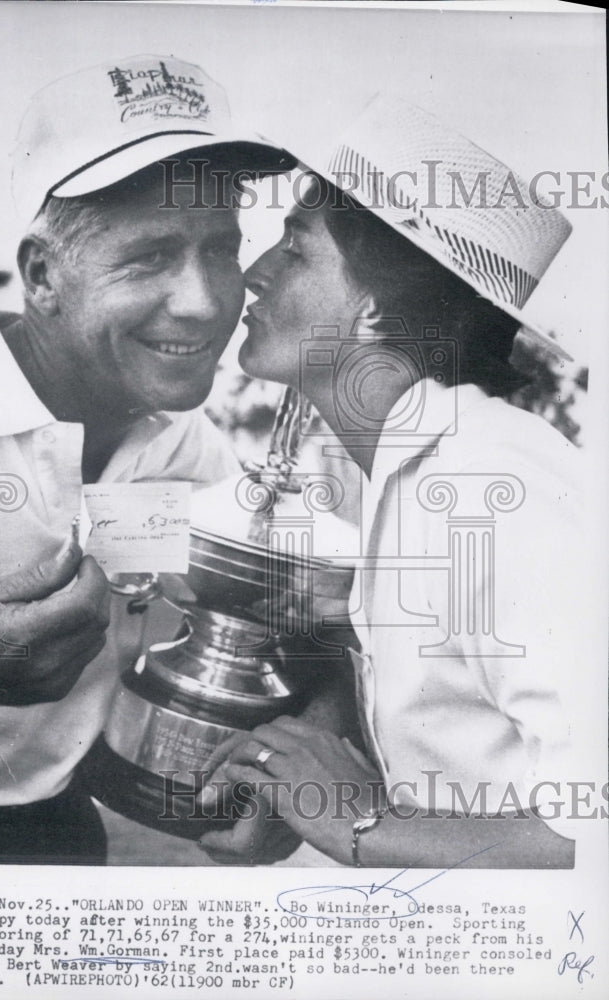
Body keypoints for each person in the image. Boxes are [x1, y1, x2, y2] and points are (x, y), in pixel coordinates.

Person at [0, 55, 296, 864]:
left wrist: (283, 783)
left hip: (63, 833)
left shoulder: (182, 443)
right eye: (148, 257)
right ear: (43, 274)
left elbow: (264, 624)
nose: (207, 302)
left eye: (220, 250)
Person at [198, 95, 590, 868]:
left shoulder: (495, 487)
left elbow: (592, 831)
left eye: (296, 250)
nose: (252, 273)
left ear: (372, 311)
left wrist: (363, 825)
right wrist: (296, 789)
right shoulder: (414, 468)